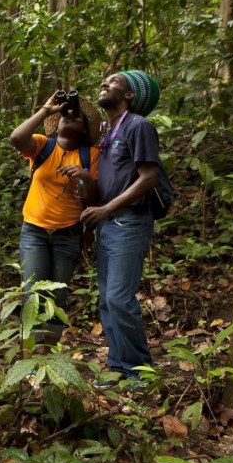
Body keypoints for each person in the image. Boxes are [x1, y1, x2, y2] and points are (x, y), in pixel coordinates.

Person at [80, 70, 161, 383]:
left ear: (130, 95)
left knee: (118, 297)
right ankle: (118, 367)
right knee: (106, 299)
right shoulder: (105, 131)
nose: (104, 83)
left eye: (114, 82)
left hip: (129, 221)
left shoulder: (138, 126)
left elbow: (148, 177)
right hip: (108, 225)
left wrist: (107, 209)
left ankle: (139, 371)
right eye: (104, 80)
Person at [9, 91, 101, 348]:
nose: (69, 117)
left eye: (76, 116)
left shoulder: (91, 155)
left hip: (68, 234)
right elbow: (16, 137)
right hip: (34, 232)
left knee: (57, 296)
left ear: (84, 128)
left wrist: (84, 176)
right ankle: (29, 359)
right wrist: (46, 111)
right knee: (32, 295)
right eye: (65, 114)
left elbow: (92, 201)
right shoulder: (42, 145)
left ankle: (46, 352)